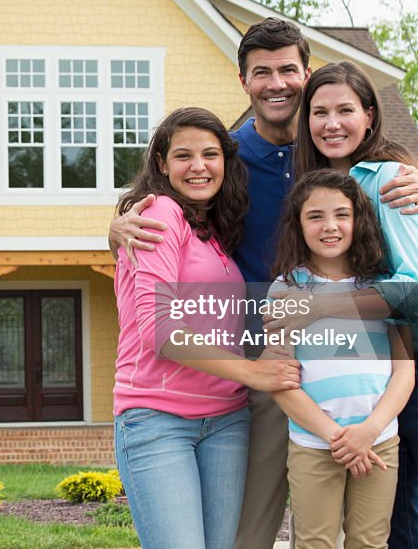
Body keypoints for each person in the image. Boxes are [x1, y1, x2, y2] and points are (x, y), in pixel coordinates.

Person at [110, 17, 418, 549]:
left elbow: (410, 215)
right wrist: (118, 224)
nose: (277, 83)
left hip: (361, 367)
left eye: (289, 69)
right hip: (264, 370)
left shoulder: (340, 151)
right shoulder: (228, 158)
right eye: (261, 72)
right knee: (251, 528)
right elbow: (174, 218)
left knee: (375, 523)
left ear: (307, 74)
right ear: (242, 80)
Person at [280, 61, 418, 549]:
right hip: (374, 378)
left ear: (370, 115)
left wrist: (323, 309)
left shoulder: (394, 178)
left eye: (345, 110)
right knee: (394, 532)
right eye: (319, 112)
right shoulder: (318, 191)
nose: (332, 123)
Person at [113, 106, 300, 549]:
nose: (198, 166)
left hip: (225, 421)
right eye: (184, 155)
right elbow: (159, 331)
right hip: (159, 418)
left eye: (210, 154)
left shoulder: (213, 230)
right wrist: (254, 373)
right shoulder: (158, 213)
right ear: (161, 163)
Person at [269, 169, 414, 549]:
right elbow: (281, 382)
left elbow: (404, 372)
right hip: (315, 442)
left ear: (358, 220)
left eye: (341, 214)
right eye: (315, 216)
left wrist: (368, 432)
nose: (329, 226)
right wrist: (337, 438)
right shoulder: (285, 290)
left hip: (378, 438)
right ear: (298, 225)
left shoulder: (384, 286)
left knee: (370, 542)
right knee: (315, 542)